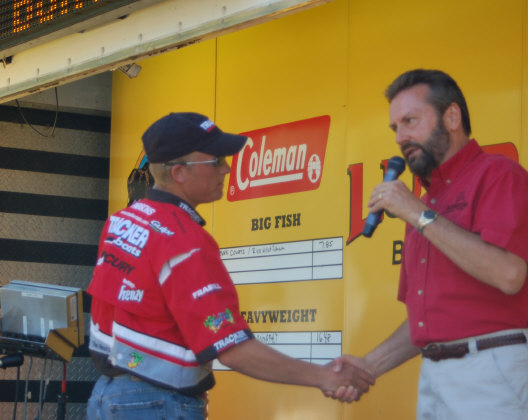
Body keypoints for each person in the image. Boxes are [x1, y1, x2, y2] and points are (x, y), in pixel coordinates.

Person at [86, 112, 374, 419]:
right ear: (179, 172)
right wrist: (325, 377)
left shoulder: (121, 221)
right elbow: (232, 348)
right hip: (155, 404)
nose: (226, 168)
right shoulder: (185, 241)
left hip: (107, 395)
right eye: (216, 161)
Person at [333, 69, 528, 419]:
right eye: (395, 128)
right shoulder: (425, 205)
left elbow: (509, 273)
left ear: (452, 117)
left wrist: (416, 213)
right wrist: (369, 366)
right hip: (435, 374)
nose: (400, 137)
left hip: (496, 369)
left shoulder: (499, 175)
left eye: (410, 121)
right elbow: (429, 322)